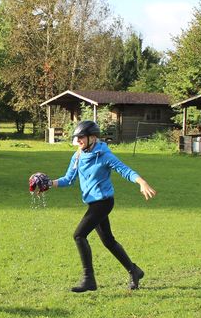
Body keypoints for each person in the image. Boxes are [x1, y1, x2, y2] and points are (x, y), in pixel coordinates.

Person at [51, 120, 156, 292]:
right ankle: (134, 270)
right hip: (93, 203)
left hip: (103, 202)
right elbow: (68, 180)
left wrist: (141, 182)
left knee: (79, 235)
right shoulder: (77, 156)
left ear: (93, 137)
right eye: (77, 137)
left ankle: (89, 280)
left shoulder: (104, 155)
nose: (78, 140)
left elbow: (125, 170)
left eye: (81, 137)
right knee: (108, 241)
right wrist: (49, 183)